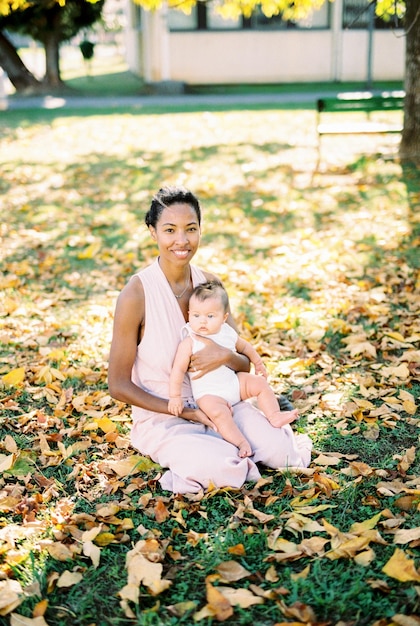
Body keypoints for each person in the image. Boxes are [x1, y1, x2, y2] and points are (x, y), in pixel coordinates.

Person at [108, 186, 312, 494]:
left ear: (200, 230)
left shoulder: (210, 285)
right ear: (152, 232)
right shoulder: (136, 294)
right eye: (169, 230)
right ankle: (214, 453)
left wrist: (224, 356)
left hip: (223, 403)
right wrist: (185, 411)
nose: (182, 240)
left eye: (191, 229)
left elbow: (243, 363)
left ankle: (243, 439)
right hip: (168, 418)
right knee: (224, 468)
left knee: (284, 454)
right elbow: (118, 385)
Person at [168, 281, 299, 458]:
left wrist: (258, 363)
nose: (203, 321)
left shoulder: (227, 332)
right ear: (189, 315)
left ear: (224, 317)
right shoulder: (190, 341)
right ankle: (240, 442)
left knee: (259, 384)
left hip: (233, 384)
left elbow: (246, 348)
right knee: (219, 414)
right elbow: (177, 370)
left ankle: (274, 415)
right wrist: (175, 397)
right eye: (196, 315)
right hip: (210, 393)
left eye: (211, 316)